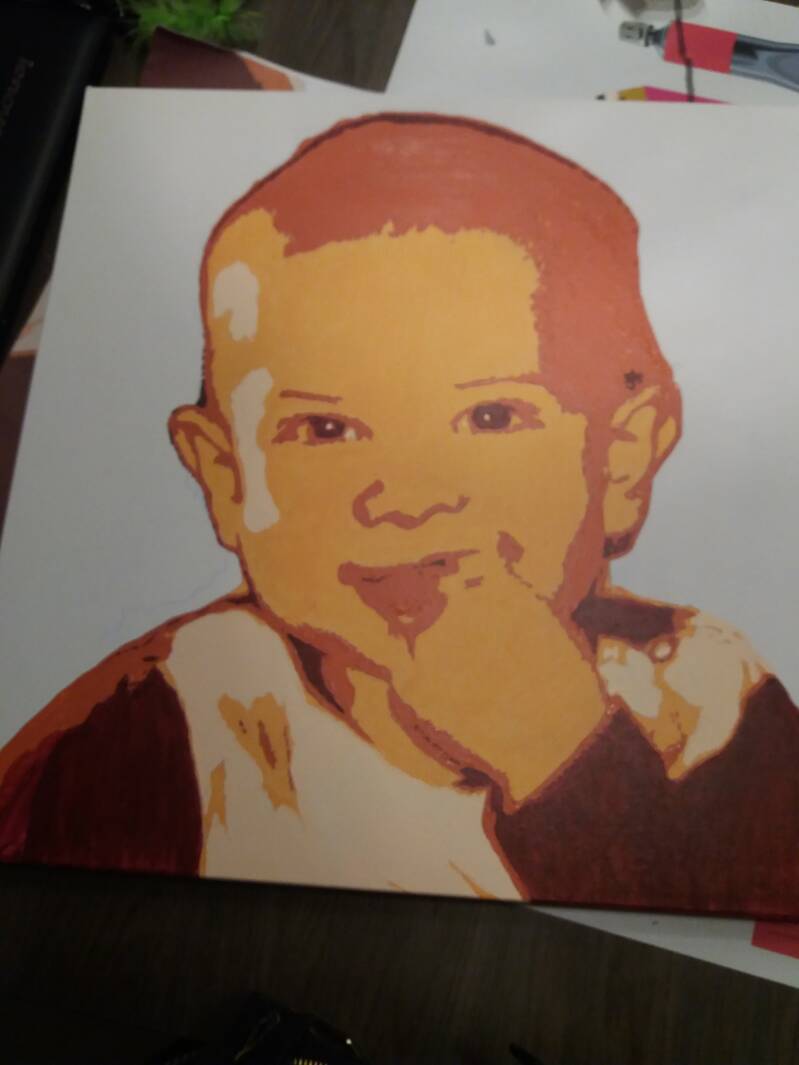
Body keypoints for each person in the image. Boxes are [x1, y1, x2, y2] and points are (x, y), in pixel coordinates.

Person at [1, 113, 797, 913]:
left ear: (621, 459)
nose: (407, 499)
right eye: (325, 429)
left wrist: (563, 757)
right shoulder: (147, 734)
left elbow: (742, 905)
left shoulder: (706, 696)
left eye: (490, 416)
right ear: (226, 477)